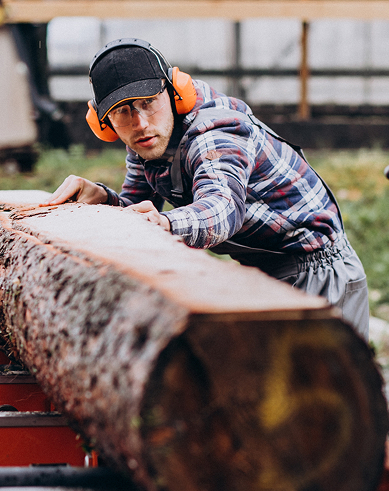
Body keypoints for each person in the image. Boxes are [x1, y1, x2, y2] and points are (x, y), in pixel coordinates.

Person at [42, 38, 369, 338]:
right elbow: (137, 210)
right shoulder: (148, 139)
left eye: (148, 102)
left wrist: (167, 223)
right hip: (266, 268)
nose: (140, 122)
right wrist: (103, 199)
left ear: (174, 94)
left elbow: (222, 208)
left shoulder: (215, 130)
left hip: (317, 273)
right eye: (122, 111)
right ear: (104, 124)